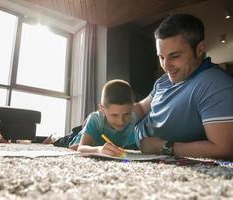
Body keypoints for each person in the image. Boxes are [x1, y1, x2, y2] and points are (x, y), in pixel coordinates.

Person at [134, 13, 233, 159]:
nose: (166, 66)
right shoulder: (164, 79)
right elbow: (142, 108)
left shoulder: (216, 85)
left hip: (143, 151)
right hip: (125, 135)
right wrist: (111, 118)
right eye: (161, 57)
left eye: (174, 56)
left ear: (200, 49)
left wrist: (163, 147)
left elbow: (224, 149)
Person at [44, 79, 142, 156]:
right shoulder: (96, 119)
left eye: (126, 114)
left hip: (94, 135)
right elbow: (81, 148)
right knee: (63, 142)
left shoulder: (135, 119)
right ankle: (53, 136)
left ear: (133, 107)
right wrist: (99, 150)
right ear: (102, 109)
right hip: (77, 138)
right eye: (114, 115)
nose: (121, 122)